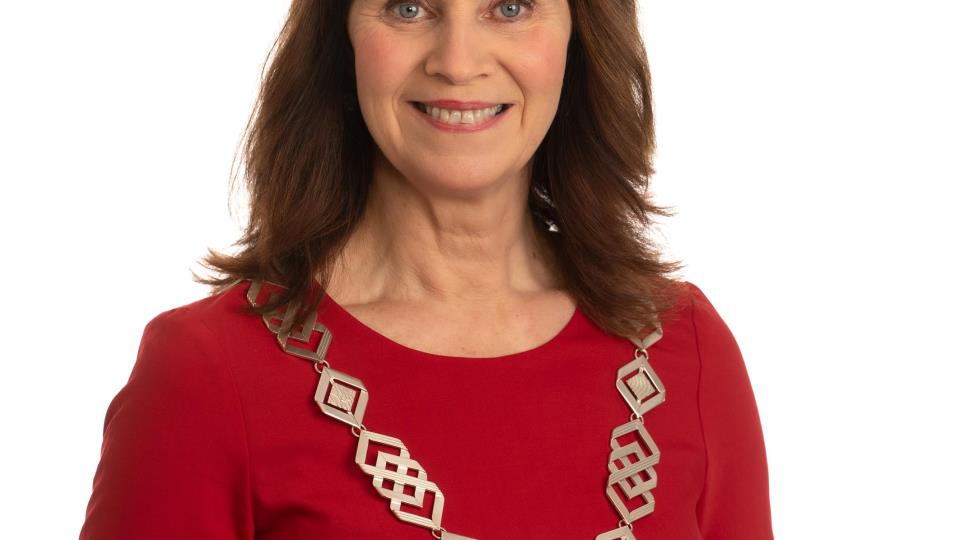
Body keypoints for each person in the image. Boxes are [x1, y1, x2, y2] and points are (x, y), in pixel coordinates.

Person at [80, 1, 773, 538]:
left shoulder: (684, 347)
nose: (457, 61)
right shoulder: (208, 371)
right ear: (342, 37)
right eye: (408, 7)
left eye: (509, 7)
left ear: (579, 35)